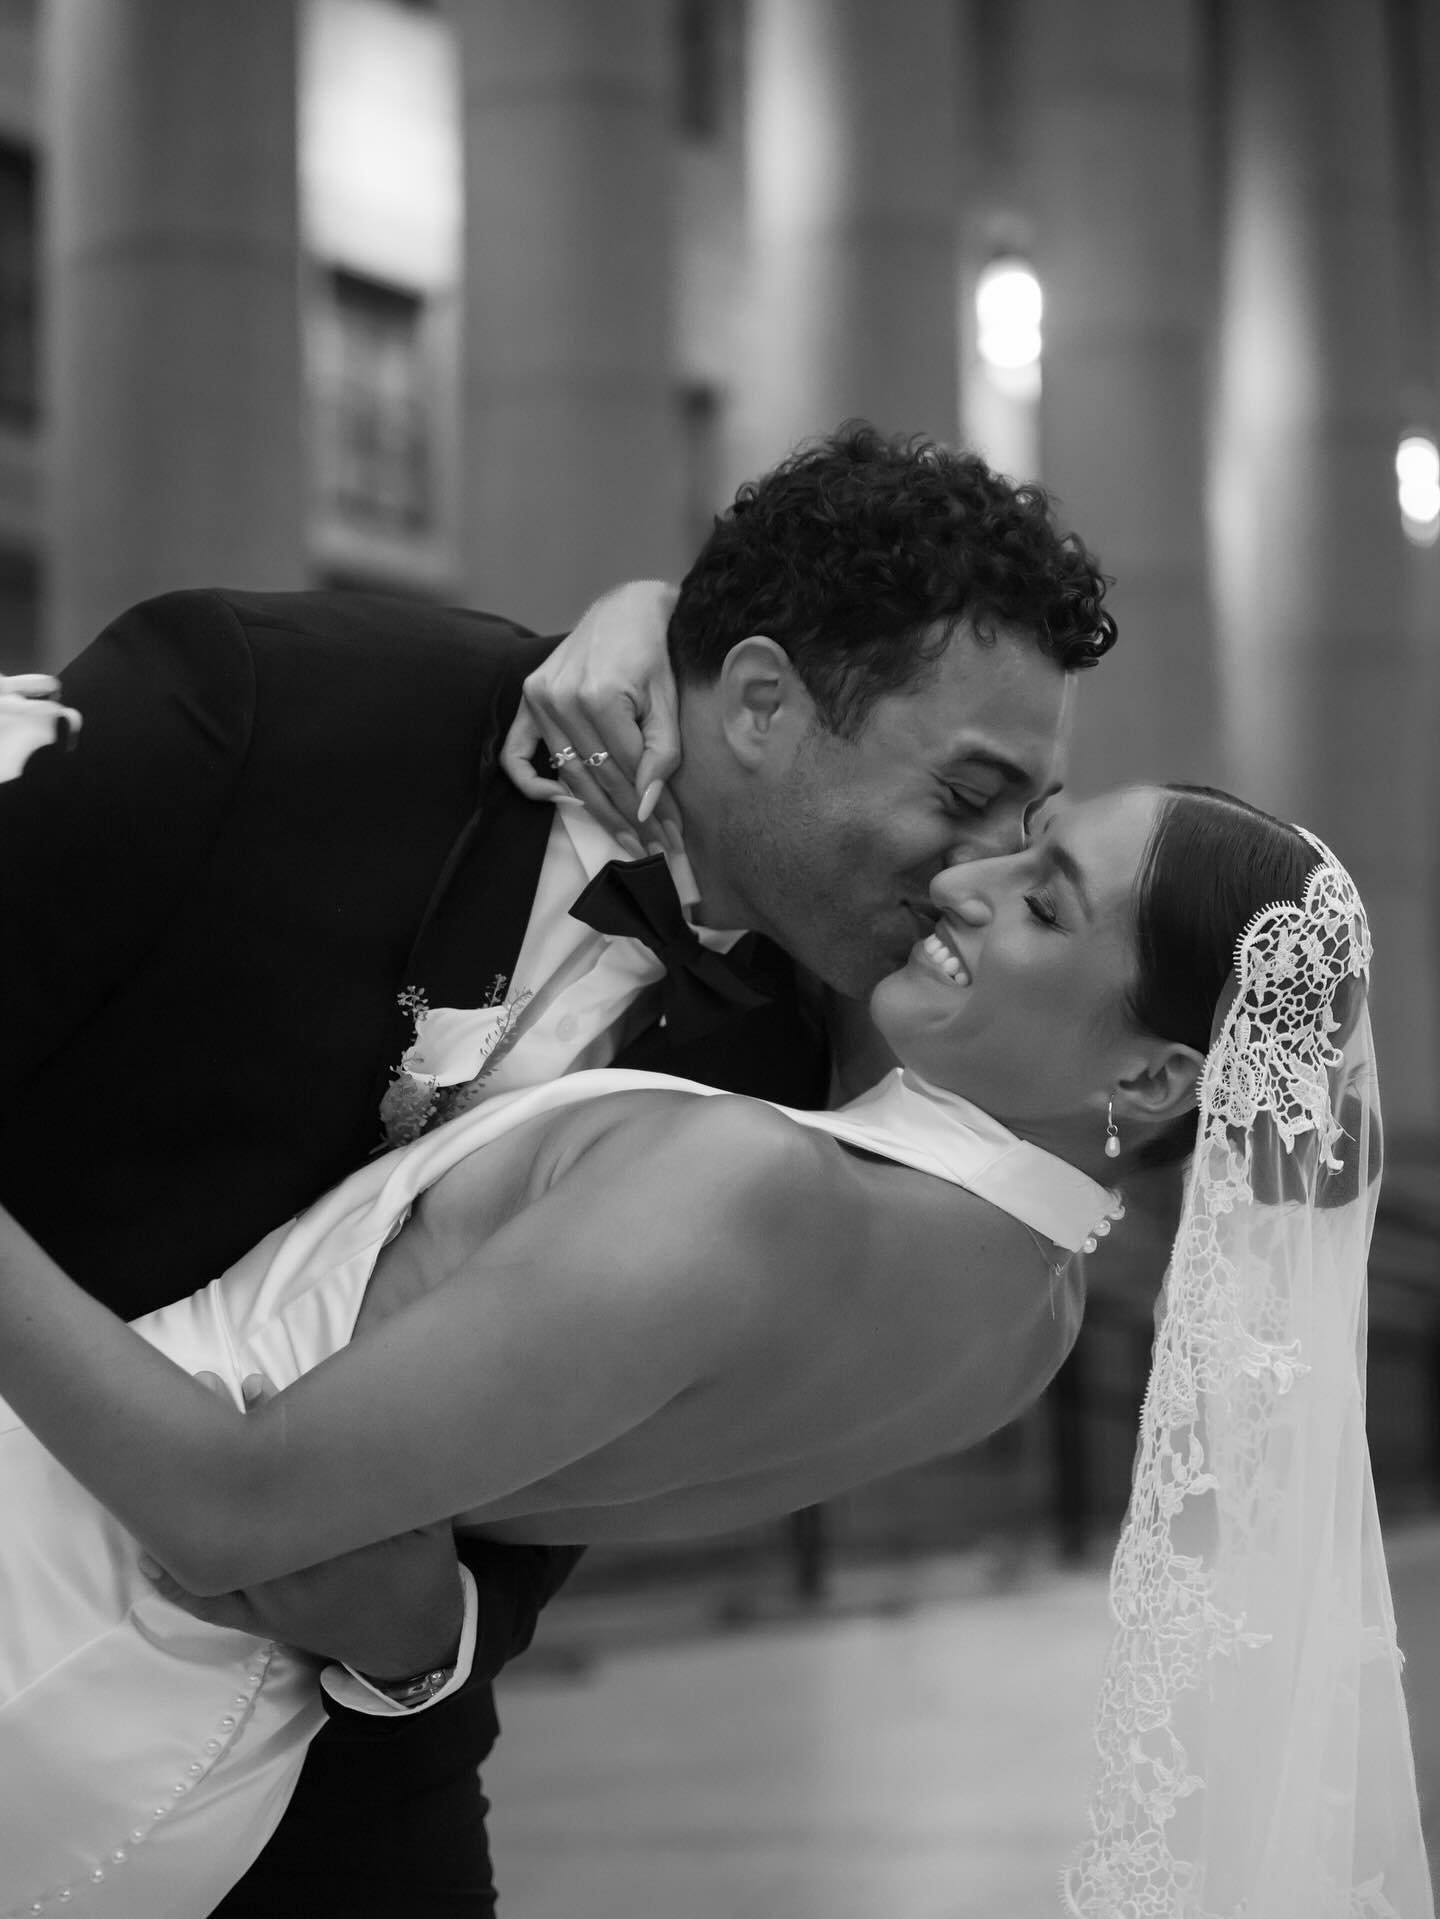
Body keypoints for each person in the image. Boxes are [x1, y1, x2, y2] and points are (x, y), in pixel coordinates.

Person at [0, 424, 1116, 1916]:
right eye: (968, 794)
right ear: (767, 701)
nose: (977, 869)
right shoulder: (276, 707)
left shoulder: (812, 1090)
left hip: (318, 1725)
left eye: (1028, 830)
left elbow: (559, 1470)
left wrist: (425, 1641)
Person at [6, 775, 1429, 1919]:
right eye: (1025, 832)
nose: (962, 879)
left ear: (1152, 1076)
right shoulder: (1028, 1318)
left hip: (62, 1591)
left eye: (1042, 905)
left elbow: (232, 1512)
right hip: (199, 1751)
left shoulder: (749, 1192)